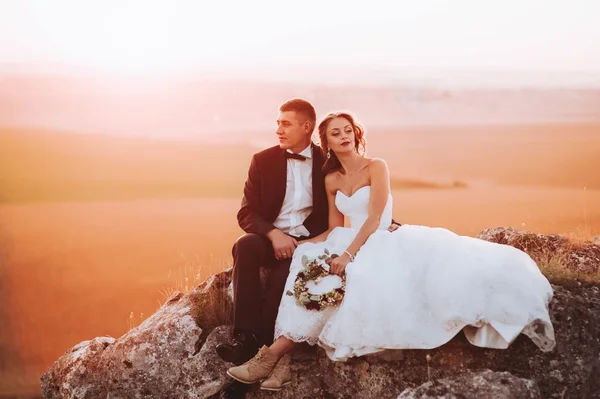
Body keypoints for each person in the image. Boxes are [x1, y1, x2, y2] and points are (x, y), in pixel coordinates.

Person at [225, 111, 556, 392]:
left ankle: (272, 357)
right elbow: (333, 228)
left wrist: (348, 254)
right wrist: (299, 244)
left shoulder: (376, 166)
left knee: (346, 276)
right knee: (306, 262)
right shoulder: (331, 179)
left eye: (347, 131)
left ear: (357, 134)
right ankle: (281, 362)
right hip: (346, 238)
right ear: (326, 142)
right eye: (335, 133)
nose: (344, 137)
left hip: (378, 239)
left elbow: (373, 219)